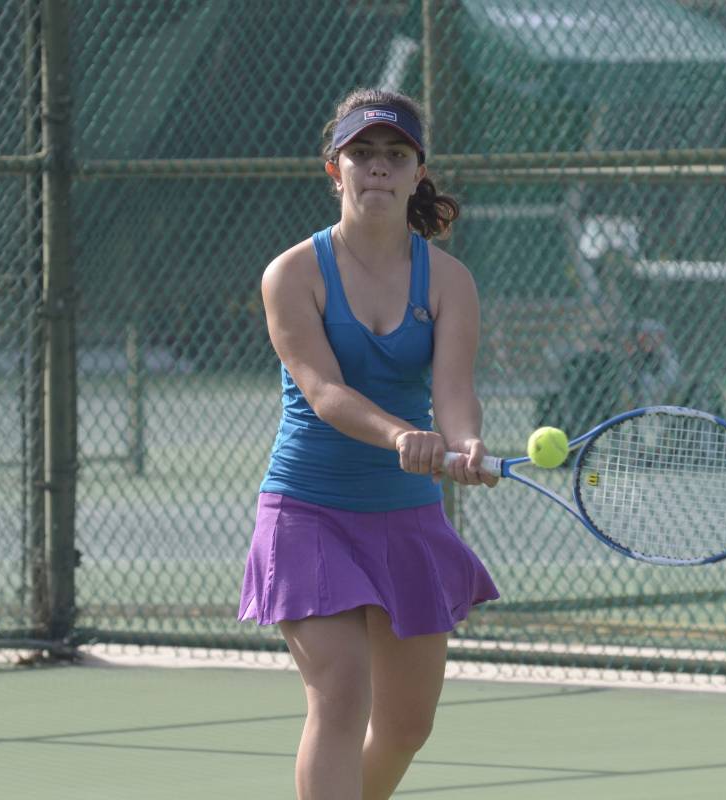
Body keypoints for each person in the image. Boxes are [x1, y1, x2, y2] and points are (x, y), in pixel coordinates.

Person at [238, 88, 500, 800]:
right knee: (341, 693)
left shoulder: (449, 281)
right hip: (307, 512)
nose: (377, 168)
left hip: (406, 517)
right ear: (335, 169)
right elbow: (322, 392)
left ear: (419, 173)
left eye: (395, 155)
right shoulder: (291, 274)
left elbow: (453, 390)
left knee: (408, 724)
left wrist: (465, 441)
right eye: (362, 153)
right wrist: (399, 436)